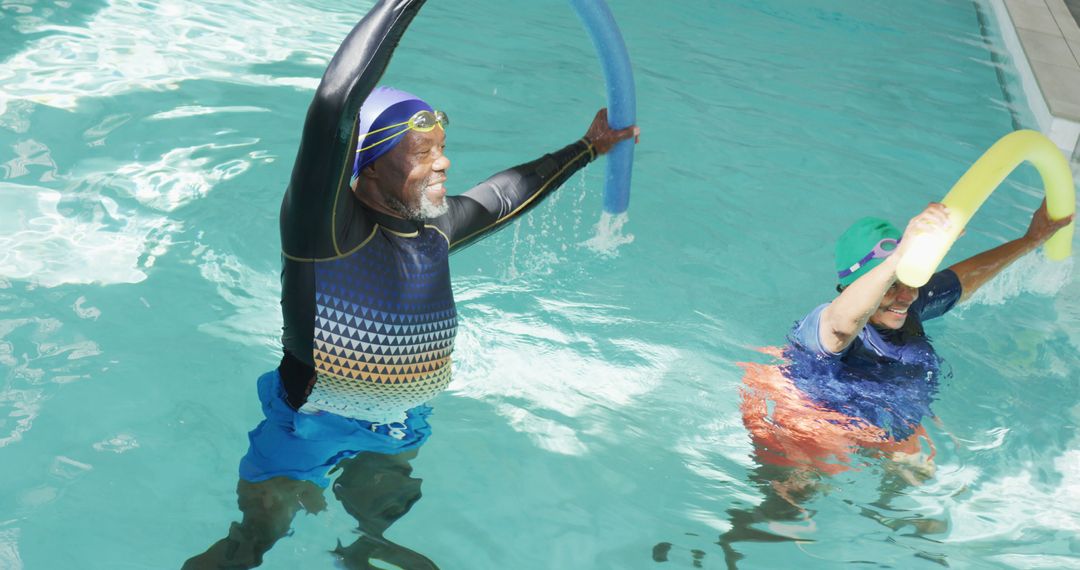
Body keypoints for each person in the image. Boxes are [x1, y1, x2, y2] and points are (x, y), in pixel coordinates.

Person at [184, 1, 638, 568]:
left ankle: (360, 552)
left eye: (443, 149)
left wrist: (588, 148)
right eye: (423, 153)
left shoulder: (434, 231)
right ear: (368, 166)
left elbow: (504, 196)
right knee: (252, 542)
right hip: (307, 425)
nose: (444, 163)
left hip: (399, 426)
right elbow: (334, 104)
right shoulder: (325, 232)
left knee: (376, 527)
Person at [712, 200, 1073, 569]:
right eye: (894, 284)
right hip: (812, 425)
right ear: (855, 283)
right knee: (789, 510)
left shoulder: (908, 308)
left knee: (923, 494)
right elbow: (842, 323)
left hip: (879, 423)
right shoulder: (824, 325)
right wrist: (900, 255)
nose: (905, 295)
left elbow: (967, 277)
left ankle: (886, 522)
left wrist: (1032, 239)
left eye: (912, 281)